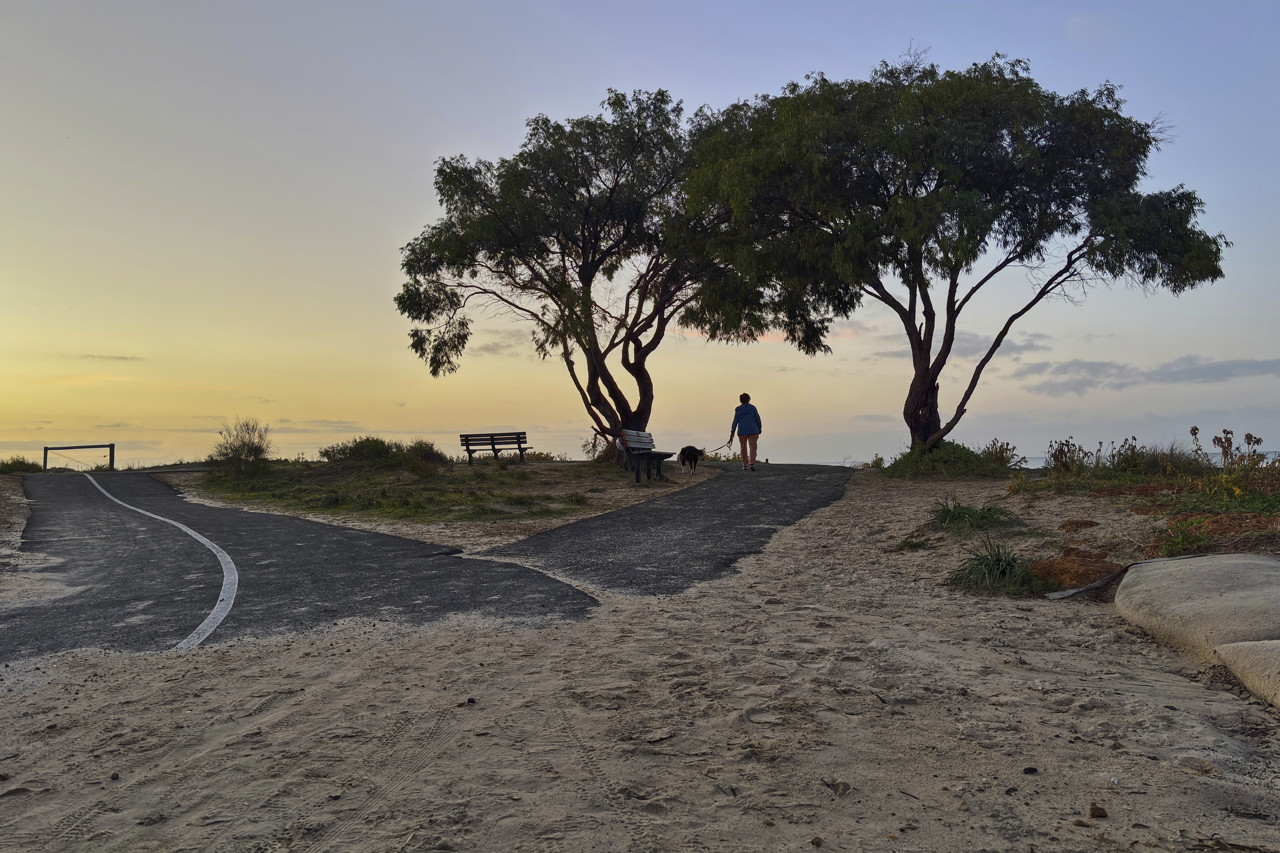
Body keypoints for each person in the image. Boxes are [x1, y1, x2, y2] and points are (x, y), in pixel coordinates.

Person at [729, 392, 762, 471]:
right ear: (749, 399)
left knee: (743, 448)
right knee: (753, 447)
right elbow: (758, 419)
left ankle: (744, 465)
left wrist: (732, 432)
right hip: (753, 430)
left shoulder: (738, 409)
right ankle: (752, 463)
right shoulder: (753, 408)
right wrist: (759, 428)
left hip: (742, 431)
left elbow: (735, 421)